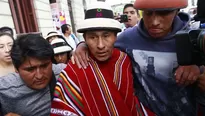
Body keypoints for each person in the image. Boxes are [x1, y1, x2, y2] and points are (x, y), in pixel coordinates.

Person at [71, 0, 203, 115]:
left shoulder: (196, 38)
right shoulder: (127, 38)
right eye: (148, 13)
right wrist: (83, 46)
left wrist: (199, 69)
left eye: (163, 13)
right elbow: (103, 42)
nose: (154, 22)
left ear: (176, 11)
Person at [50, 2, 141, 116]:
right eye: (92, 37)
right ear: (85, 38)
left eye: (106, 36)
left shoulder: (124, 61)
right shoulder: (73, 70)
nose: (100, 45)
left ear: (115, 36)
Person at [0, 34, 66, 115]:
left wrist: (82, 47)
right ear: (16, 69)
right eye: (30, 69)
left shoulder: (64, 73)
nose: (39, 76)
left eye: (44, 66)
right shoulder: (4, 89)